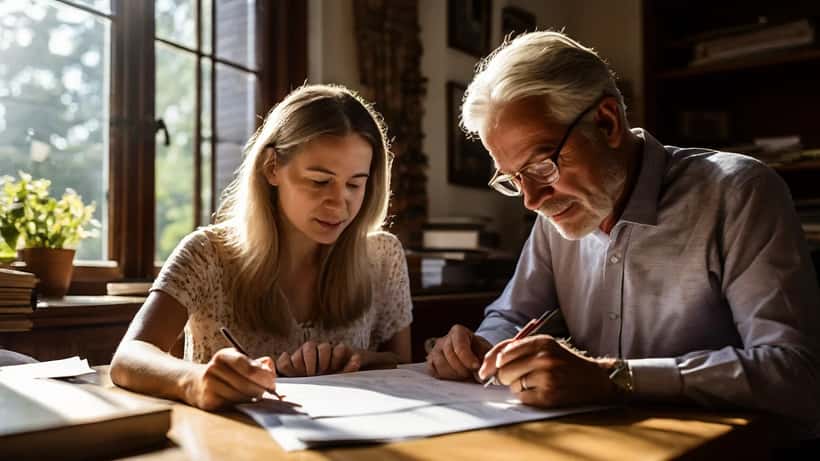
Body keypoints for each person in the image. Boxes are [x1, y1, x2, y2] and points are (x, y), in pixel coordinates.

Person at [426, 31, 820, 444]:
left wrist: (615, 377)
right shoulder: (556, 214)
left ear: (607, 122)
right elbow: (513, 316)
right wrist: (479, 347)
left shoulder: (739, 193)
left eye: (542, 167)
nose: (532, 200)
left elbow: (796, 372)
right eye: (514, 179)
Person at [111, 84, 413, 410]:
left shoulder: (383, 256)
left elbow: (405, 368)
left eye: (355, 184)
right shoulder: (207, 254)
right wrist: (194, 380)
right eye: (319, 181)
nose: (339, 203)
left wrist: (361, 362)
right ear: (271, 167)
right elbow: (128, 357)